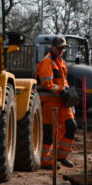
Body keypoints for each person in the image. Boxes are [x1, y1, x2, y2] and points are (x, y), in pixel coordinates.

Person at [35, 36, 76, 169]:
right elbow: (47, 83)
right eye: (59, 48)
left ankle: (61, 156)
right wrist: (61, 92)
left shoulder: (61, 62)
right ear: (52, 47)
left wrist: (68, 93)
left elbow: (63, 82)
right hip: (49, 103)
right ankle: (45, 161)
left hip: (62, 102)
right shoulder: (47, 62)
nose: (61, 50)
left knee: (71, 126)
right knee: (48, 132)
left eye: (63, 48)